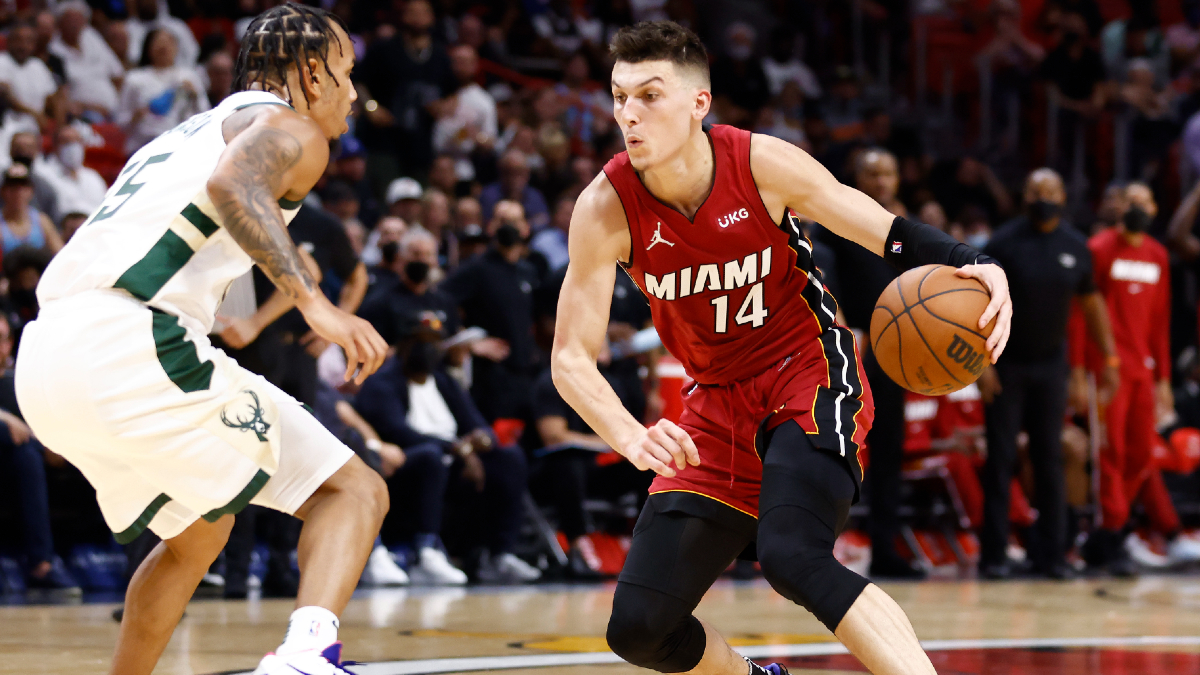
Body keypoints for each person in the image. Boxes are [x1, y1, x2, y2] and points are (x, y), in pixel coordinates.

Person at [553, 21, 1011, 675]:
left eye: (649, 95)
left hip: (808, 369)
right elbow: (570, 358)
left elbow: (883, 230)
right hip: (715, 405)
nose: (629, 113)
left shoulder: (759, 162)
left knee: (792, 555)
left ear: (698, 103)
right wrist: (630, 436)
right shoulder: (605, 208)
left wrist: (974, 261)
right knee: (640, 628)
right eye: (620, 96)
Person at [14, 6, 389, 675]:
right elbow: (234, 184)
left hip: (47, 358)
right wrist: (316, 305)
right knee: (353, 491)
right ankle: (307, 657)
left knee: (198, 532)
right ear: (312, 73)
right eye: (347, 72)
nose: (353, 93)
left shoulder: (184, 134)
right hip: (131, 341)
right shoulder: (293, 126)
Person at [978, 168, 1117, 580]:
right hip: (1005, 363)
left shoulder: (1076, 246)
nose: (1044, 197)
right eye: (1036, 190)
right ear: (1024, 196)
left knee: (1049, 458)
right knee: (1001, 459)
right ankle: (994, 555)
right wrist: (980, 365)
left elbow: (1091, 304)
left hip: (1053, 365)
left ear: (1063, 196)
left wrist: (1109, 359)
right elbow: (976, 303)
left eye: (1052, 190)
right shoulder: (1002, 243)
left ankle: (1052, 556)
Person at [353, 312, 539, 584]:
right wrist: (456, 448)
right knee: (430, 457)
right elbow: (398, 432)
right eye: (421, 342)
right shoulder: (381, 383)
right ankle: (425, 551)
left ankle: (499, 554)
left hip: (455, 461)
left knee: (509, 457)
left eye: (435, 342)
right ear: (404, 345)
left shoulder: (444, 381)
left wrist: (482, 439)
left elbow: (476, 423)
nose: (429, 349)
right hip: (409, 464)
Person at [816, 148, 925, 579]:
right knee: (836, 453)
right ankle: (819, 550)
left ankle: (885, 549)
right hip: (848, 355)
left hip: (893, 355)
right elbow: (824, 289)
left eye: (888, 173)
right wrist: (846, 337)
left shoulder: (904, 230)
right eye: (873, 173)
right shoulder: (835, 224)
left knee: (888, 455)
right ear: (856, 178)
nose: (881, 181)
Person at [1081, 183, 1178, 575]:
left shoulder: (1158, 255)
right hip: (1108, 369)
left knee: (1141, 454)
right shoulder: (1099, 249)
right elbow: (1082, 314)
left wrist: (1164, 378)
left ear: (1154, 208)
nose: (1138, 207)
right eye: (1131, 201)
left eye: (1145, 201)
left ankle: (1108, 532)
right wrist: (1082, 368)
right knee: (1111, 453)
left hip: (1143, 370)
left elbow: (1160, 321)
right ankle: (1111, 532)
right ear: (1121, 207)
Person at [0, 312, 80, 593]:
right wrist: (6, 419)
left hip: (19, 463)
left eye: (2, 339)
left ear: (10, 343)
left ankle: (44, 563)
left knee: (30, 455)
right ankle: (42, 562)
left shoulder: (21, 382)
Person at [117, 28, 211, 154]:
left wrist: (195, 96)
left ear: (176, 48)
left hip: (180, 146)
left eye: (169, 43)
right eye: (158, 43)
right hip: (143, 146)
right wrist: (136, 116)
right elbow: (120, 122)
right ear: (148, 48)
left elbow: (206, 115)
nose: (164, 47)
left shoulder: (189, 77)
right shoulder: (134, 79)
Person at [48, 1, 125, 119]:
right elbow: (59, 95)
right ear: (59, 23)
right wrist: (90, 107)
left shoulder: (91, 36)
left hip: (114, 108)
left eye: (78, 19)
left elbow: (118, 75)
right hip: (84, 112)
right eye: (69, 20)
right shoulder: (53, 50)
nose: (74, 24)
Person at [41, 124, 108, 218]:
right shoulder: (44, 176)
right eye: (66, 141)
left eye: (77, 141)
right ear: (55, 146)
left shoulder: (93, 177)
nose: (73, 146)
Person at [0, 21, 61, 123]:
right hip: (9, 122)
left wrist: (58, 124)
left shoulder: (37, 65)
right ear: (9, 41)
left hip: (37, 122)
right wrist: (34, 115)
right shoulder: (2, 60)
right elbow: (5, 94)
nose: (23, 46)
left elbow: (52, 96)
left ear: (34, 45)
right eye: (18, 40)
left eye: (28, 41)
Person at [0, 164, 61, 256]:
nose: (18, 192)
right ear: (3, 191)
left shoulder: (41, 221)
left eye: (23, 187)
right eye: (13, 187)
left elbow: (60, 253)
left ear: (31, 191)